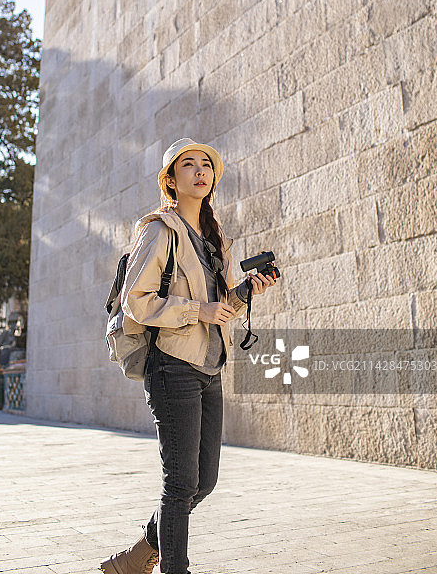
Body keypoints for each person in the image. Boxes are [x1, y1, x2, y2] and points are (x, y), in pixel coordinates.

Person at [100, 138, 276, 574]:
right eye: (188, 165)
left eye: (206, 166)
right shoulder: (159, 231)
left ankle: (136, 556)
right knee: (180, 485)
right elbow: (136, 302)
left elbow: (219, 311)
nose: (200, 171)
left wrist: (244, 293)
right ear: (171, 181)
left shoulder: (214, 240)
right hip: (171, 366)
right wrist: (199, 309)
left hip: (209, 368)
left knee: (205, 481)